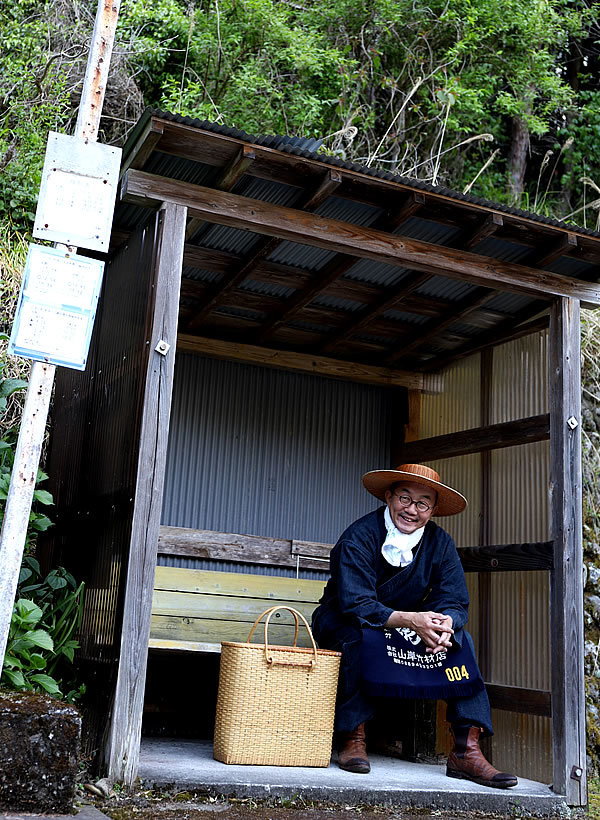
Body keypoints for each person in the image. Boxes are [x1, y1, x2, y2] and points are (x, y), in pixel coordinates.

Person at [311, 463, 517, 789]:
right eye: (405, 498)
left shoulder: (440, 543)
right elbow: (357, 604)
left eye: (423, 503)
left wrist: (445, 624)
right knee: (360, 639)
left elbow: (454, 599)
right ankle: (354, 736)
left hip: (408, 624)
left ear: (433, 509)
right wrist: (413, 621)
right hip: (345, 620)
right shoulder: (358, 537)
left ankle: (466, 750)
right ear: (389, 497)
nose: (412, 510)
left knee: (461, 642)